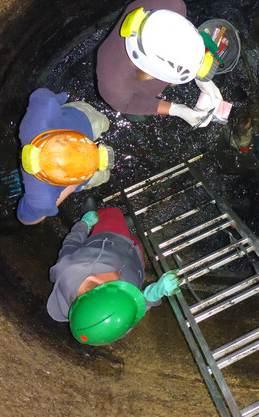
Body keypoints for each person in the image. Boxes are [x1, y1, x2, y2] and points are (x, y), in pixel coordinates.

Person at [46, 204, 182, 345]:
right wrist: (154, 294)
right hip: (134, 262)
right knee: (135, 241)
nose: (114, 280)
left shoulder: (67, 269)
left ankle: (99, 215)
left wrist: (84, 224)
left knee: (114, 213)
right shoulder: (112, 326)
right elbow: (136, 308)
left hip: (108, 237)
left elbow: (71, 243)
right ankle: (127, 229)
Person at [96, 0, 223, 127]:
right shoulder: (113, 84)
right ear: (150, 71)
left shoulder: (173, 5)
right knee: (128, 108)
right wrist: (176, 109)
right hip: (128, 97)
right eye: (180, 68)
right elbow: (127, 104)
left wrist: (200, 76)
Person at [17, 88, 114, 225]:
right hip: (83, 119)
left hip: (82, 119)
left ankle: (104, 124)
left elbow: (27, 219)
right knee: (101, 123)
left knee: (104, 175)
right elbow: (25, 221)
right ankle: (104, 124)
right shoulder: (40, 196)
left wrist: (72, 186)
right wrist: (72, 187)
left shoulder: (38, 119)